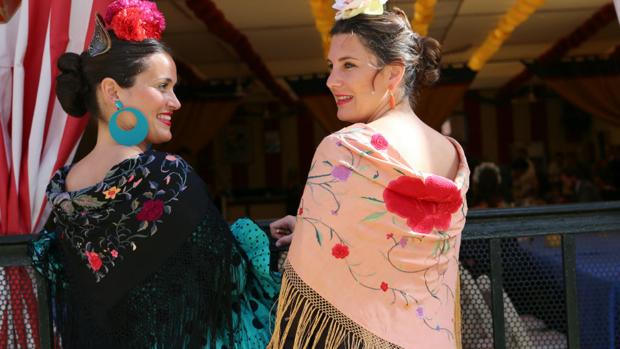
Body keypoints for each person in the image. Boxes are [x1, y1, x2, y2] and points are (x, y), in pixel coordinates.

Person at [30, 1, 279, 348]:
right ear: (113, 92)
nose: (175, 101)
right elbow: (229, 277)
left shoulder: (64, 188)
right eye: (162, 86)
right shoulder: (165, 178)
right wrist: (263, 240)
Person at [268, 1, 470, 348]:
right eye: (332, 66)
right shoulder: (453, 153)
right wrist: (316, 229)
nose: (332, 80)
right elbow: (394, 237)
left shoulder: (348, 148)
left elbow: (312, 276)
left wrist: (311, 238)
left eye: (349, 65)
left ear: (393, 73)